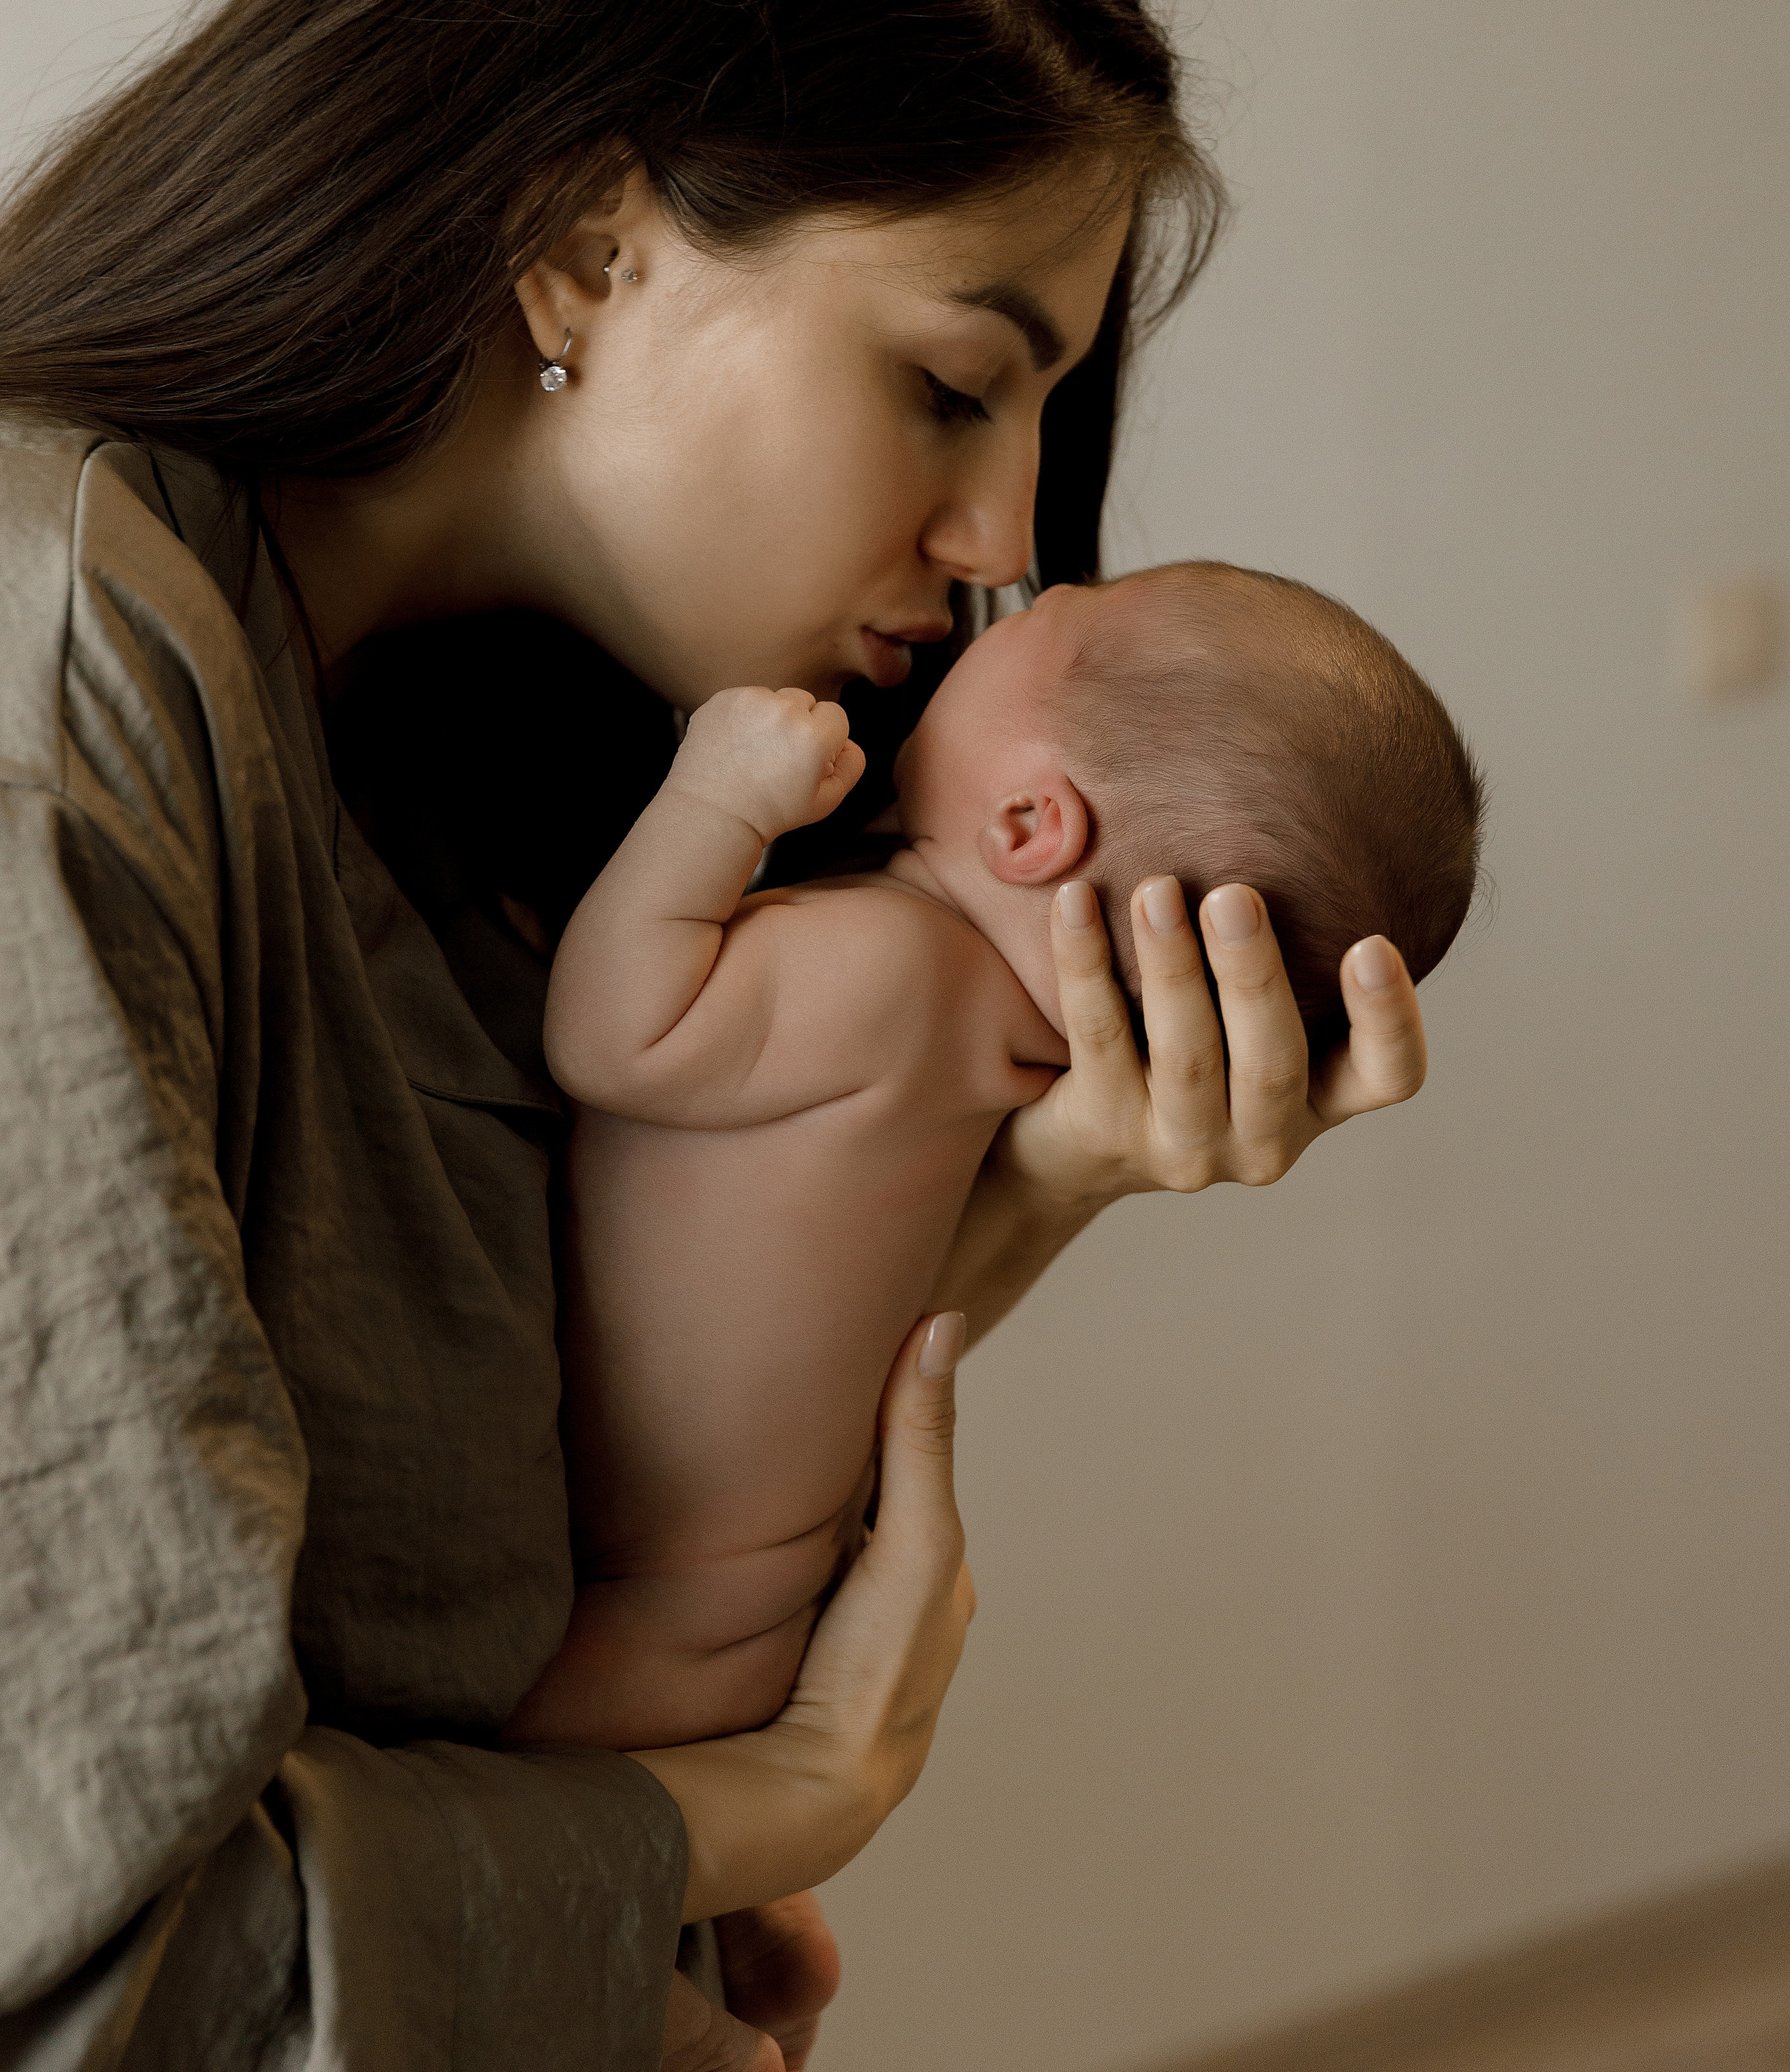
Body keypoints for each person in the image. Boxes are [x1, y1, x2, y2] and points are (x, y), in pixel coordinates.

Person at [0, 0, 1431, 2072]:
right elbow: (116, 1975)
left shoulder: (470, 790)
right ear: (587, 243)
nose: (1001, 550)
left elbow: (606, 1497)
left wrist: (1049, 1168)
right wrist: (756, 1813)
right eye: (961, 386)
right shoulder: (66, 680)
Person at [503, 561, 1483, 1755]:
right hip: (735, 1629)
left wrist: (717, 801)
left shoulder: (886, 972)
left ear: (1028, 824)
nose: (1008, 599)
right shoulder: (1011, 1056)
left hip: (631, 1613)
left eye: (1042, 617)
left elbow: (612, 1039)